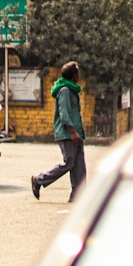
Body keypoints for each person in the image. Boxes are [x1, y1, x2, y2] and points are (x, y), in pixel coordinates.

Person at [32, 61, 86, 203]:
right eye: (77, 73)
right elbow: (64, 114)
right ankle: (38, 179)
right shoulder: (65, 91)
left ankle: (78, 194)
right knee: (69, 163)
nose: (79, 75)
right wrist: (73, 132)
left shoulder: (72, 89)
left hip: (76, 132)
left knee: (79, 165)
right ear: (73, 76)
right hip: (68, 133)